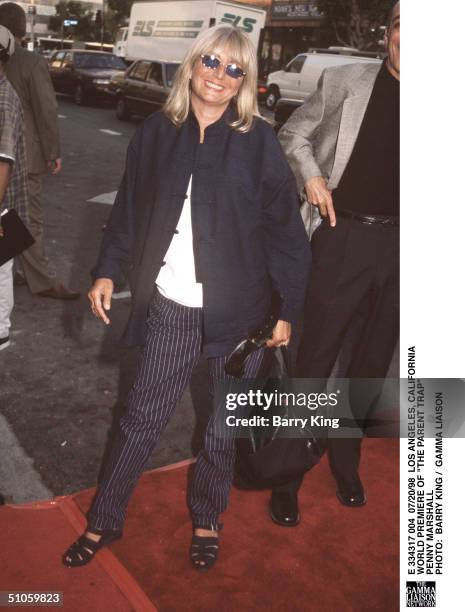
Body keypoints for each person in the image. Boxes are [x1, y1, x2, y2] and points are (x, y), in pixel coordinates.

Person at [62, 24, 310, 570]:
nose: (219, 76)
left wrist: (286, 309)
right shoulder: (156, 131)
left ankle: (207, 517)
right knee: (140, 420)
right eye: (212, 62)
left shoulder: (259, 142)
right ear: (193, 64)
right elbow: (128, 210)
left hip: (242, 315)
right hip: (171, 306)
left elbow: (286, 234)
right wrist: (106, 271)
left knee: (223, 430)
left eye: (234, 69)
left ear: (244, 82)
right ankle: (104, 519)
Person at [270, 1, 400, 526]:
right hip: (342, 236)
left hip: (405, 249)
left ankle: (345, 460)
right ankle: (285, 472)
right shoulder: (345, 80)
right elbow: (292, 135)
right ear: (387, 34)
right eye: (400, 28)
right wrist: (311, 177)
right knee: (313, 361)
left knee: (370, 365)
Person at [0, 3, 79, 300]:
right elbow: (47, 109)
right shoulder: (31, 61)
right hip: (23, 155)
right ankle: (43, 280)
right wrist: (52, 151)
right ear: (22, 28)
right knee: (28, 218)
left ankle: (18, 269)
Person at [0, 25, 28, 350]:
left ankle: (2, 331)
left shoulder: (5, 100)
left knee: (2, 267)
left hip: (2, 202)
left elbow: (3, 163)